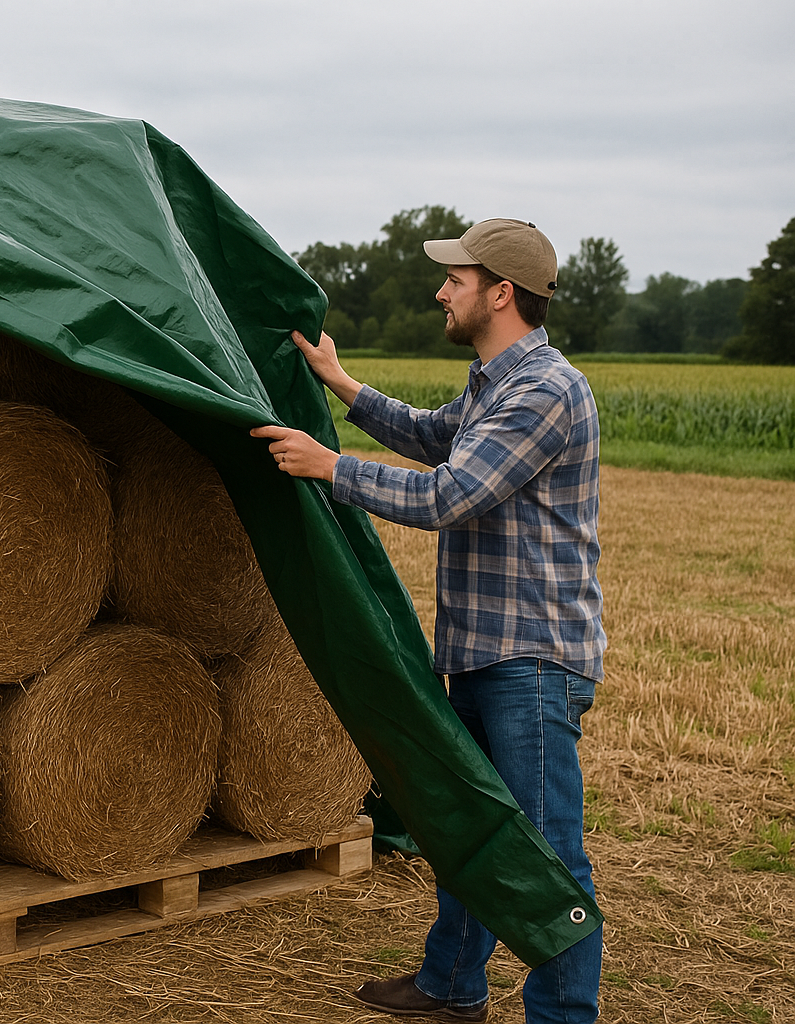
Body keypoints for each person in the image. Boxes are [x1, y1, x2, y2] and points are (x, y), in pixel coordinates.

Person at [251, 219, 604, 1023]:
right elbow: (429, 435)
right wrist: (342, 385)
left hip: (533, 660)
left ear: (501, 293)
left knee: (547, 856)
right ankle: (452, 986)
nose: (441, 291)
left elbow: (450, 494)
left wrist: (330, 465)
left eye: (457, 279)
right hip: (484, 653)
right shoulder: (492, 384)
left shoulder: (546, 390)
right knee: (468, 830)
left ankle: (563, 1016)